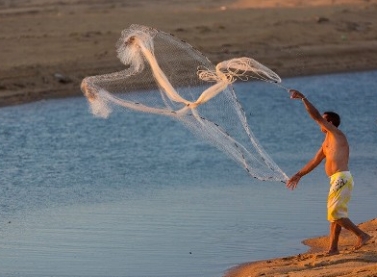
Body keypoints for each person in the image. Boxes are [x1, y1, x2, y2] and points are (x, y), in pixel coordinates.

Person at [286, 89, 371, 255]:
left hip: (342, 178)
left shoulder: (337, 134)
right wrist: (298, 175)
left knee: (334, 213)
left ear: (330, 123)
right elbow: (314, 161)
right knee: (335, 215)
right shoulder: (326, 143)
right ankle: (333, 248)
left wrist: (303, 98)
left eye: (323, 121)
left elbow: (316, 116)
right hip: (336, 180)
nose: (320, 123)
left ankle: (362, 235)